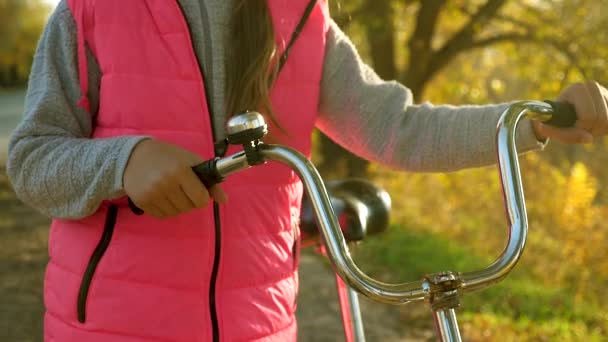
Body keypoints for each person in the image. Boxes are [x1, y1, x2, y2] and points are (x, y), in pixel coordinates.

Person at [6, 0, 608, 341]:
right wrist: (123, 161)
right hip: (115, 329)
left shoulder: (301, 19)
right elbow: (32, 158)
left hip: (258, 329)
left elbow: (398, 128)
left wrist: (530, 119)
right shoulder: (93, 12)